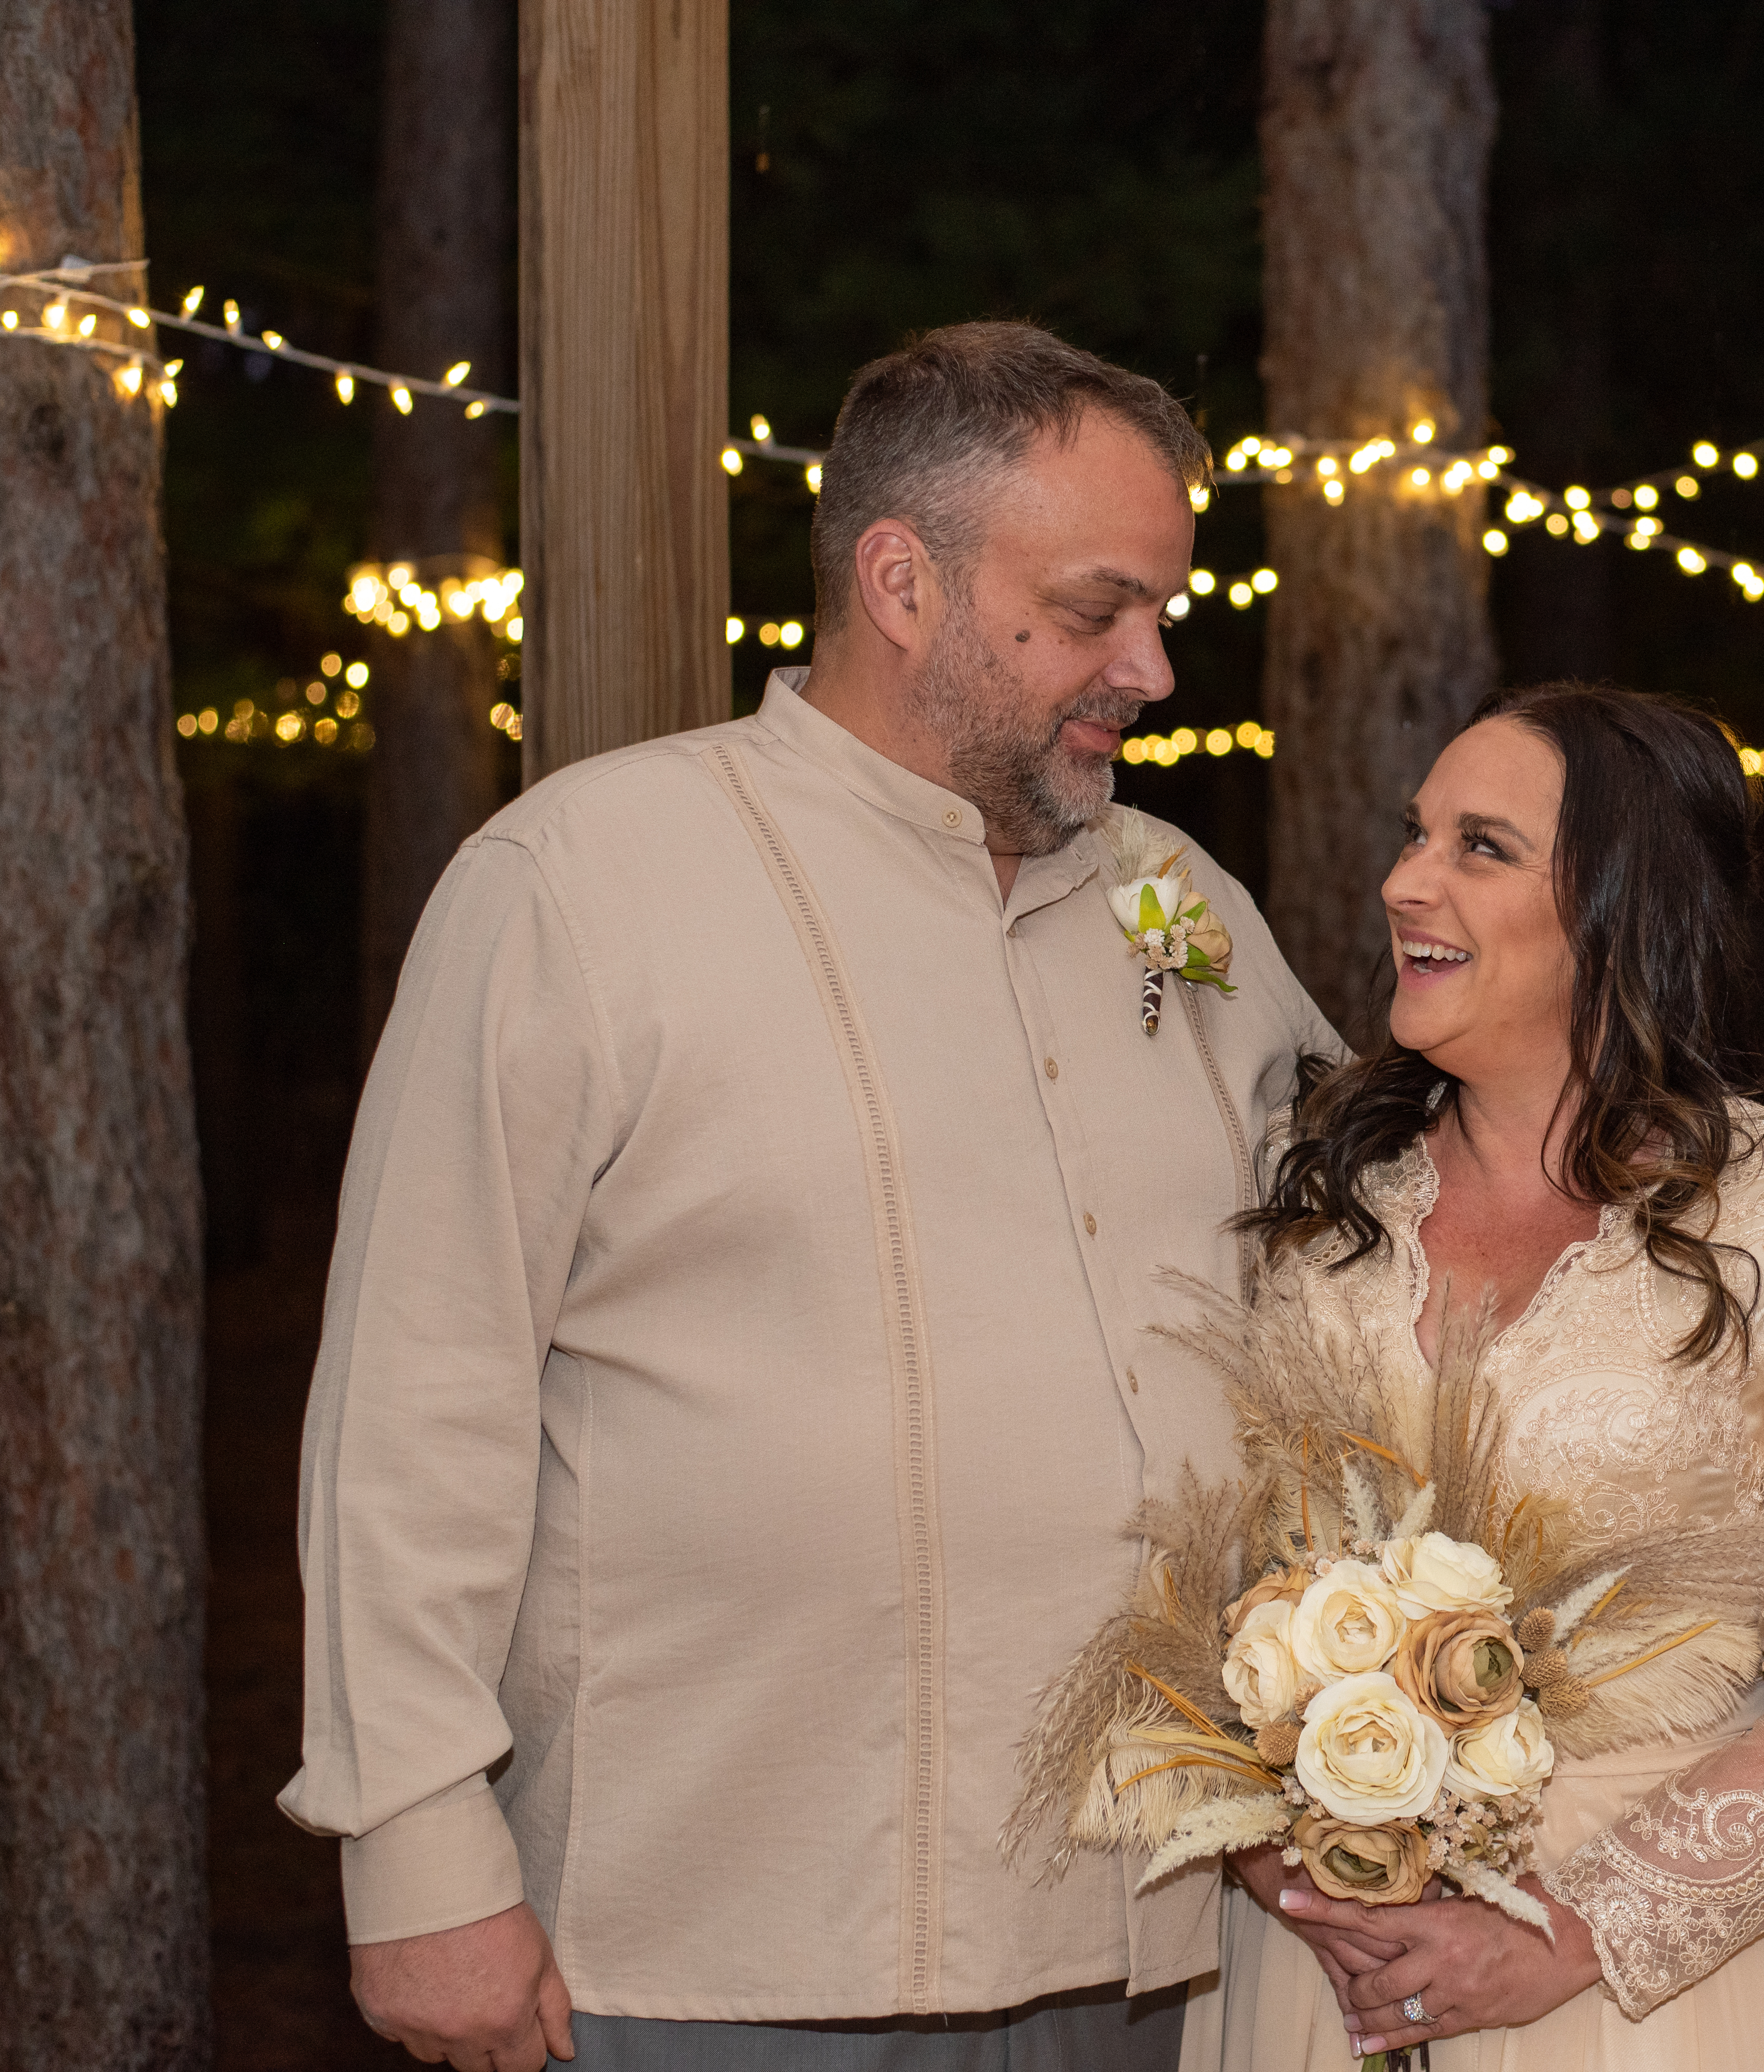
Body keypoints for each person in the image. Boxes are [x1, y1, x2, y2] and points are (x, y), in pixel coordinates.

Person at [282, 321, 1335, 2071]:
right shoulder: (581, 881)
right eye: (1094, 611)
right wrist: (414, 1852)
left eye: (1164, 611)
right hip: (713, 1935)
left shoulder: (1178, 897)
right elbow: (415, 1395)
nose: (1152, 666)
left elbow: (1370, 1233)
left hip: (1155, 1934)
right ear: (901, 580)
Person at [1188, 684, 1764, 2070]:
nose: (1401, 882)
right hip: (1329, 1973)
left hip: (1653, 2003)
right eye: (1414, 835)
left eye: (1478, 848)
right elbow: (1199, 1575)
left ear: (1623, 909)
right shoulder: (1323, 1218)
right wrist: (1272, 1849)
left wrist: (1565, 1931)